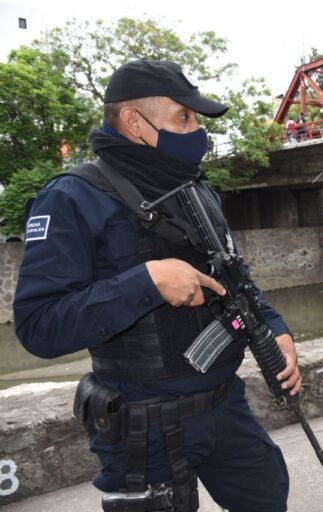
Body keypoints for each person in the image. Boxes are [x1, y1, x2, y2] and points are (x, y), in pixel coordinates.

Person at [13, 60, 301, 512]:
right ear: (134, 122)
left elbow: (234, 273)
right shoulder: (71, 198)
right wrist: (145, 282)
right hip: (143, 431)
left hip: (226, 409)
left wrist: (275, 325)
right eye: (183, 118)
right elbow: (38, 327)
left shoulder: (196, 189)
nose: (197, 132)